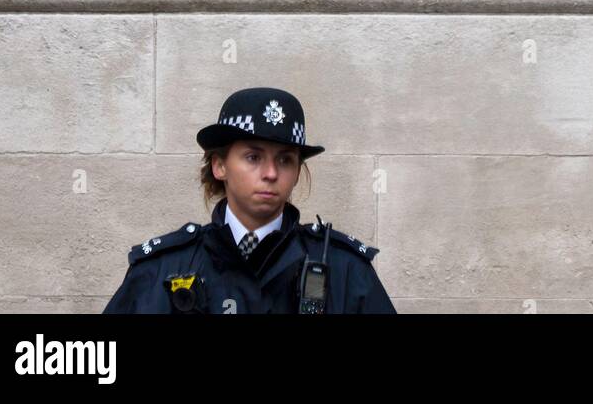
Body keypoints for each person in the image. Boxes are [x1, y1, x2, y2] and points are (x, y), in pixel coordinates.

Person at [102, 86, 397, 314]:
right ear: (220, 166)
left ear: (296, 172)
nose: (270, 173)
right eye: (253, 157)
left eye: (285, 159)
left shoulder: (345, 269)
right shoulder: (161, 269)